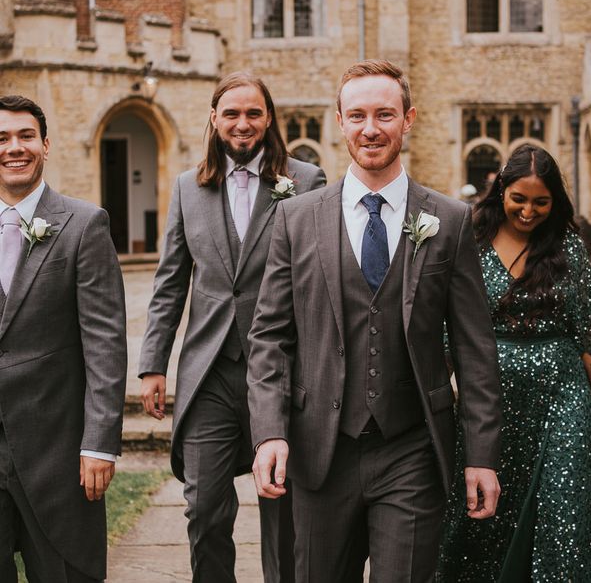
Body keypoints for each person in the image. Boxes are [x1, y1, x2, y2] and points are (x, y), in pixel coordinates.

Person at [248, 59, 502, 582]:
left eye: (384, 114)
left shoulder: (450, 221)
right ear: (338, 121)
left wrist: (481, 455)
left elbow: (477, 349)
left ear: (408, 119)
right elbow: (269, 338)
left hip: (411, 445)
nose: (371, 129)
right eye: (357, 115)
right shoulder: (295, 218)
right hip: (320, 450)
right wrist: (269, 432)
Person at [138, 72, 325, 583]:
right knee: (203, 510)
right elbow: (171, 281)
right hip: (211, 372)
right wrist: (153, 364)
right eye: (231, 114)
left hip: (284, 371)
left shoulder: (306, 182)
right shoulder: (185, 187)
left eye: (253, 113)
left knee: (282, 508)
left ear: (269, 119)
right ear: (214, 119)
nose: (242, 124)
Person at [438, 144, 591, 583]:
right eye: (519, 198)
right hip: (491, 393)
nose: (529, 211)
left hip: (563, 392)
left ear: (554, 202)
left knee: (563, 504)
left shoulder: (568, 245)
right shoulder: (470, 240)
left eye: (541, 201)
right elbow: (450, 322)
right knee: (484, 510)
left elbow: (587, 328)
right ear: (501, 191)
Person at [0, 95, 127, 582]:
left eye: (26, 136)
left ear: (45, 145)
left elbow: (105, 344)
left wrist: (99, 444)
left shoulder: (84, 224)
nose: (15, 148)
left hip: (57, 455)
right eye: (4, 138)